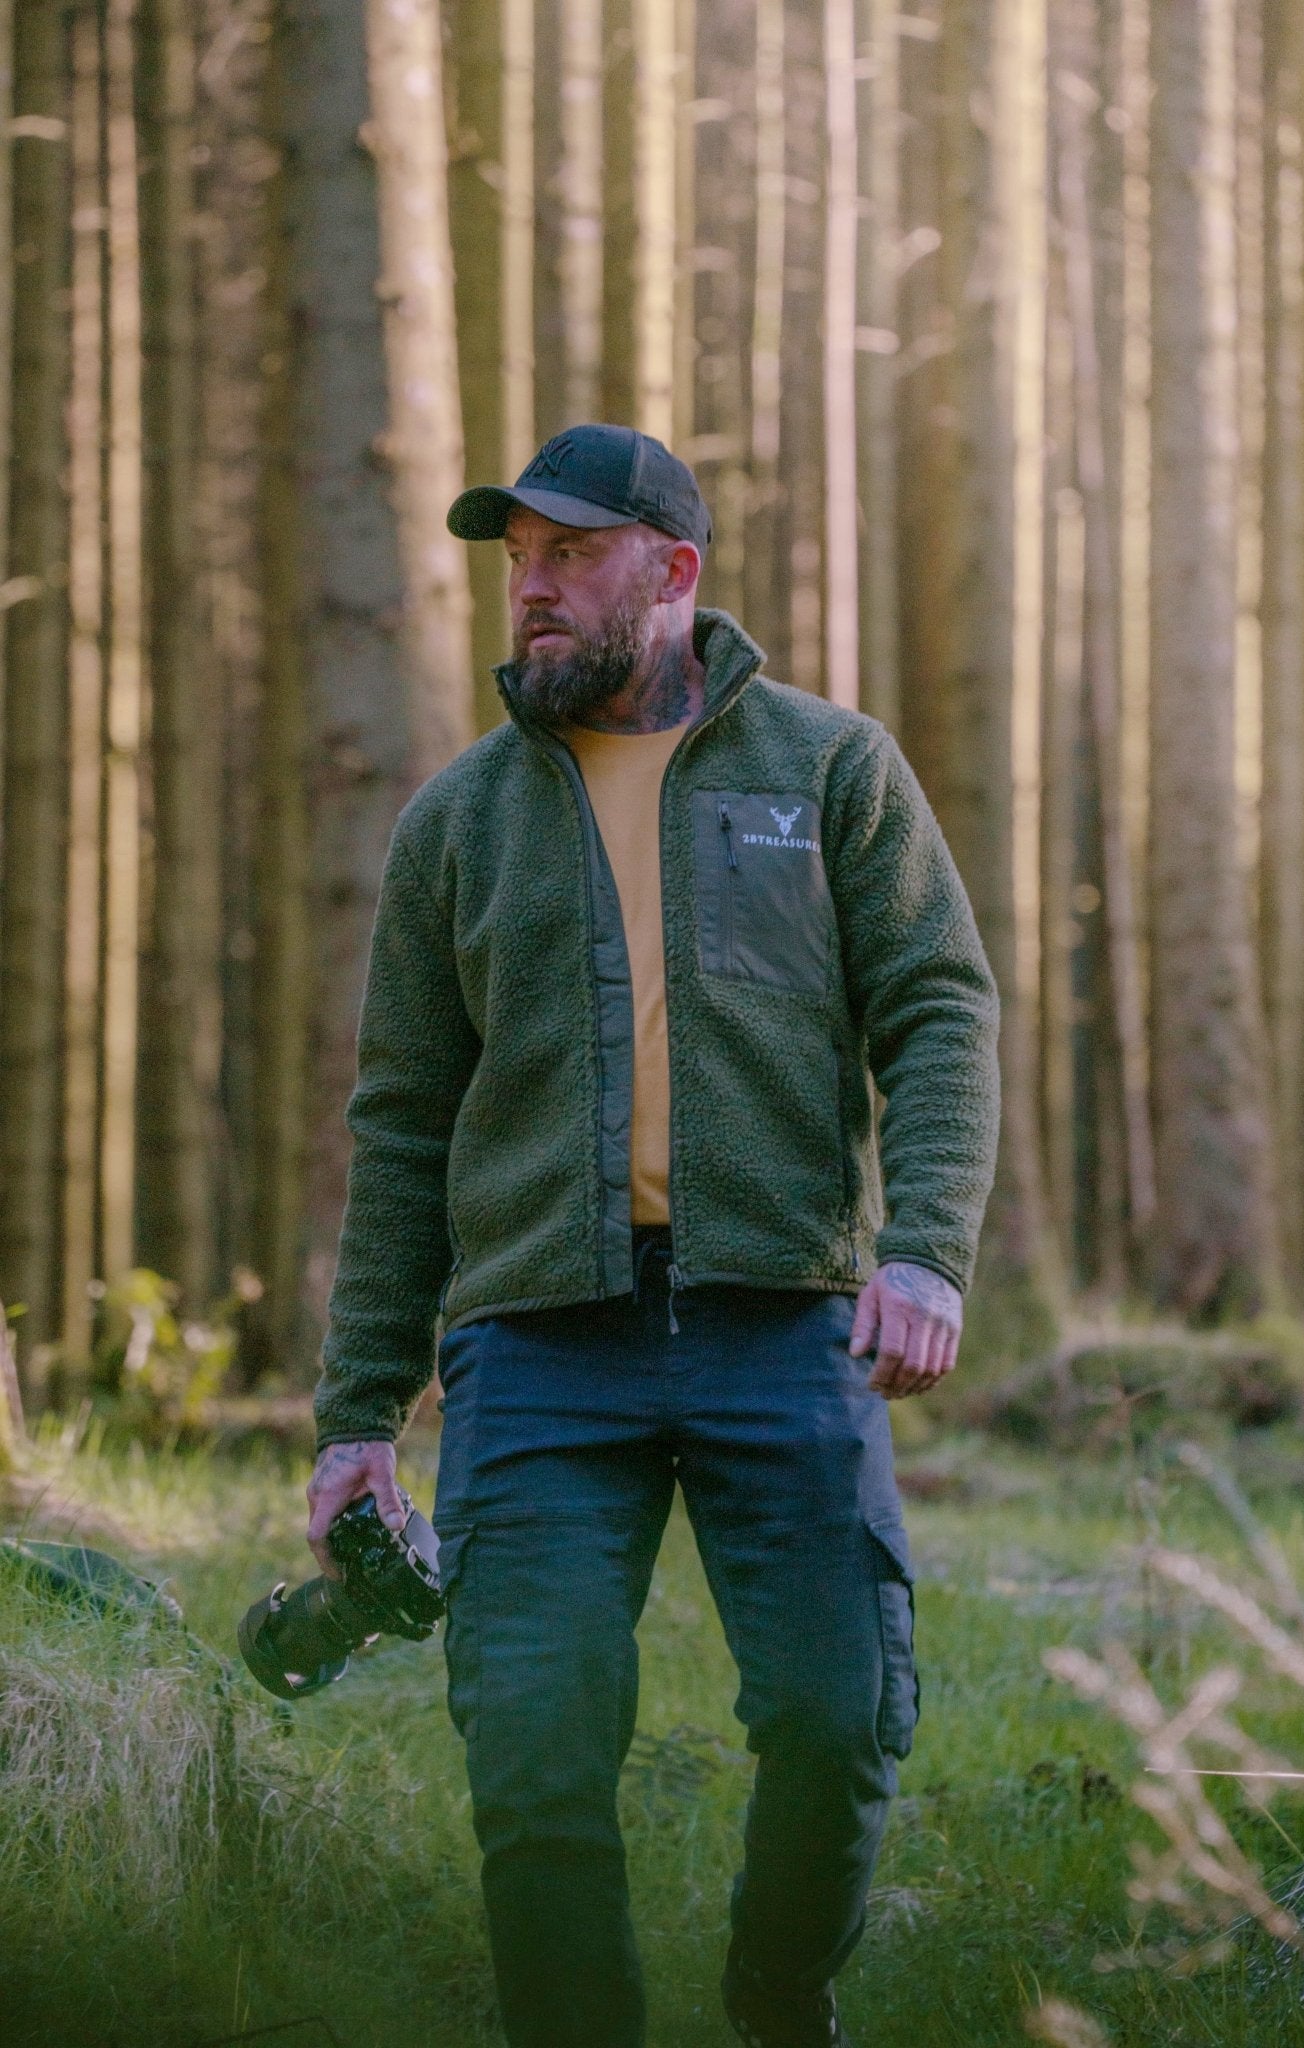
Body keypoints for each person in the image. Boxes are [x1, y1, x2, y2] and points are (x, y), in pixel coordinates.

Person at [305, 423, 999, 2048]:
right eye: (514, 560)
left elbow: (939, 1009)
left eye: (569, 555)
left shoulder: (830, 767)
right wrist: (356, 1415)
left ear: (672, 572)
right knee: (534, 1746)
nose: (530, 590)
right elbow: (402, 1122)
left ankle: (776, 2001)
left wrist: (924, 1253)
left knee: (841, 1719)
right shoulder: (455, 822)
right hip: (535, 1347)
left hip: (784, 1324)